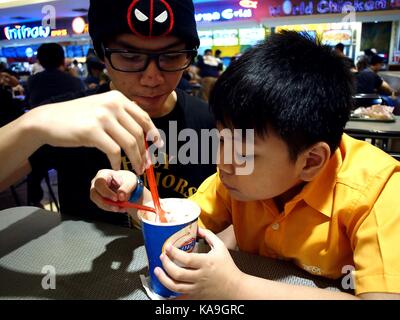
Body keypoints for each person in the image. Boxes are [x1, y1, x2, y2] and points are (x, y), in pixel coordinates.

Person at [90, 31, 400, 299]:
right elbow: (185, 224)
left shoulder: (378, 192)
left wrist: (236, 288)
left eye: (244, 153)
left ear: (311, 161)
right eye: (221, 140)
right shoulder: (234, 177)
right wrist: (135, 198)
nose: (222, 162)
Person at [6, 0, 216, 226]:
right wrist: (33, 124)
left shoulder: (211, 120)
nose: (152, 78)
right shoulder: (72, 119)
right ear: (102, 54)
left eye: (171, 55)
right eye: (129, 56)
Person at [26, 43, 86, 108]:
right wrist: (75, 77)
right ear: (63, 59)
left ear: (40, 61)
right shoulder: (74, 81)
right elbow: (82, 99)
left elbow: (28, 103)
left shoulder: (32, 81)